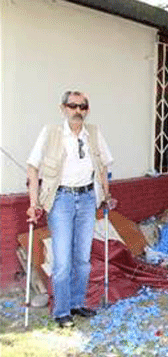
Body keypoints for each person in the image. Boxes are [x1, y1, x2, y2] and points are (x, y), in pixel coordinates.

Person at [26, 91, 114, 327]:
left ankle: (77, 303)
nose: (78, 110)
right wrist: (33, 203)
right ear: (63, 108)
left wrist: (106, 195)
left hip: (87, 198)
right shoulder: (51, 133)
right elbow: (32, 167)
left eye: (83, 106)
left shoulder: (93, 133)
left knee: (83, 259)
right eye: (72, 105)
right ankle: (62, 311)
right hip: (61, 200)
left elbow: (104, 167)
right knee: (63, 260)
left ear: (87, 109)